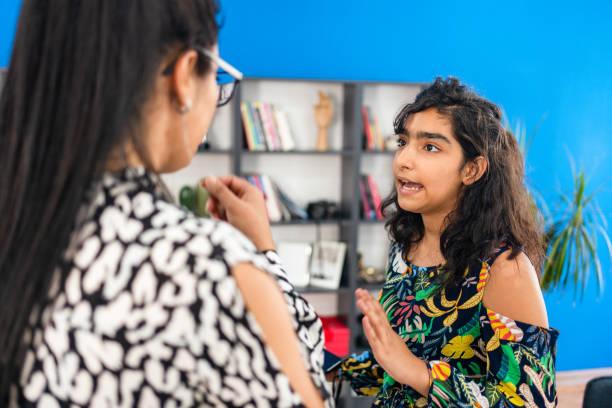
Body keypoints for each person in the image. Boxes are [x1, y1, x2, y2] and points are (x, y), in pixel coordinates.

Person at [0, 1, 331, 406]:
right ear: (184, 75)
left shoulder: (19, 225)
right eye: (220, 78)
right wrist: (264, 257)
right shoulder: (205, 266)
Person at [333, 77, 558, 407]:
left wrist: (420, 374)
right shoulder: (405, 246)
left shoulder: (504, 268)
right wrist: (331, 369)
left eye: (430, 147)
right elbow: (399, 358)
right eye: (402, 142)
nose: (403, 160)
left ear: (472, 170)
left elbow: (532, 400)